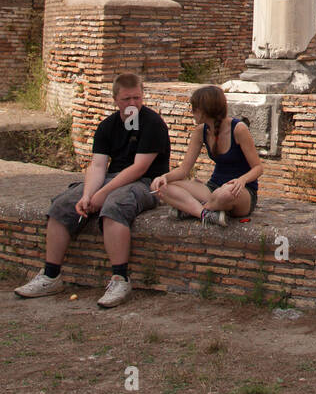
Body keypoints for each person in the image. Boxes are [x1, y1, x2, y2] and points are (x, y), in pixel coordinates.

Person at [14, 72, 170, 308]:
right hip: (111, 177)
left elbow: (139, 168)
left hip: (145, 182)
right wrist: (88, 195)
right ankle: (50, 275)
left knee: (114, 206)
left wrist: (102, 194)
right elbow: (97, 165)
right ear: (115, 99)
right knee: (63, 205)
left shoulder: (152, 123)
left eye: (137, 98)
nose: (132, 104)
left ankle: (120, 278)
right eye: (126, 99)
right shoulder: (107, 126)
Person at [151, 85, 261, 226]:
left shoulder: (238, 129)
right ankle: (205, 213)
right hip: (213, 188)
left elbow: (258, 168)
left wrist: (241, 180)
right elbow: (184, 170)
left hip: (240, 192)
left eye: (194, 109)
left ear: (203, 111)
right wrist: (163, 177)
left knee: (224, 194)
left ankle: (190, 208)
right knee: (161, 188)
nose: (192, 113)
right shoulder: (200, 131)